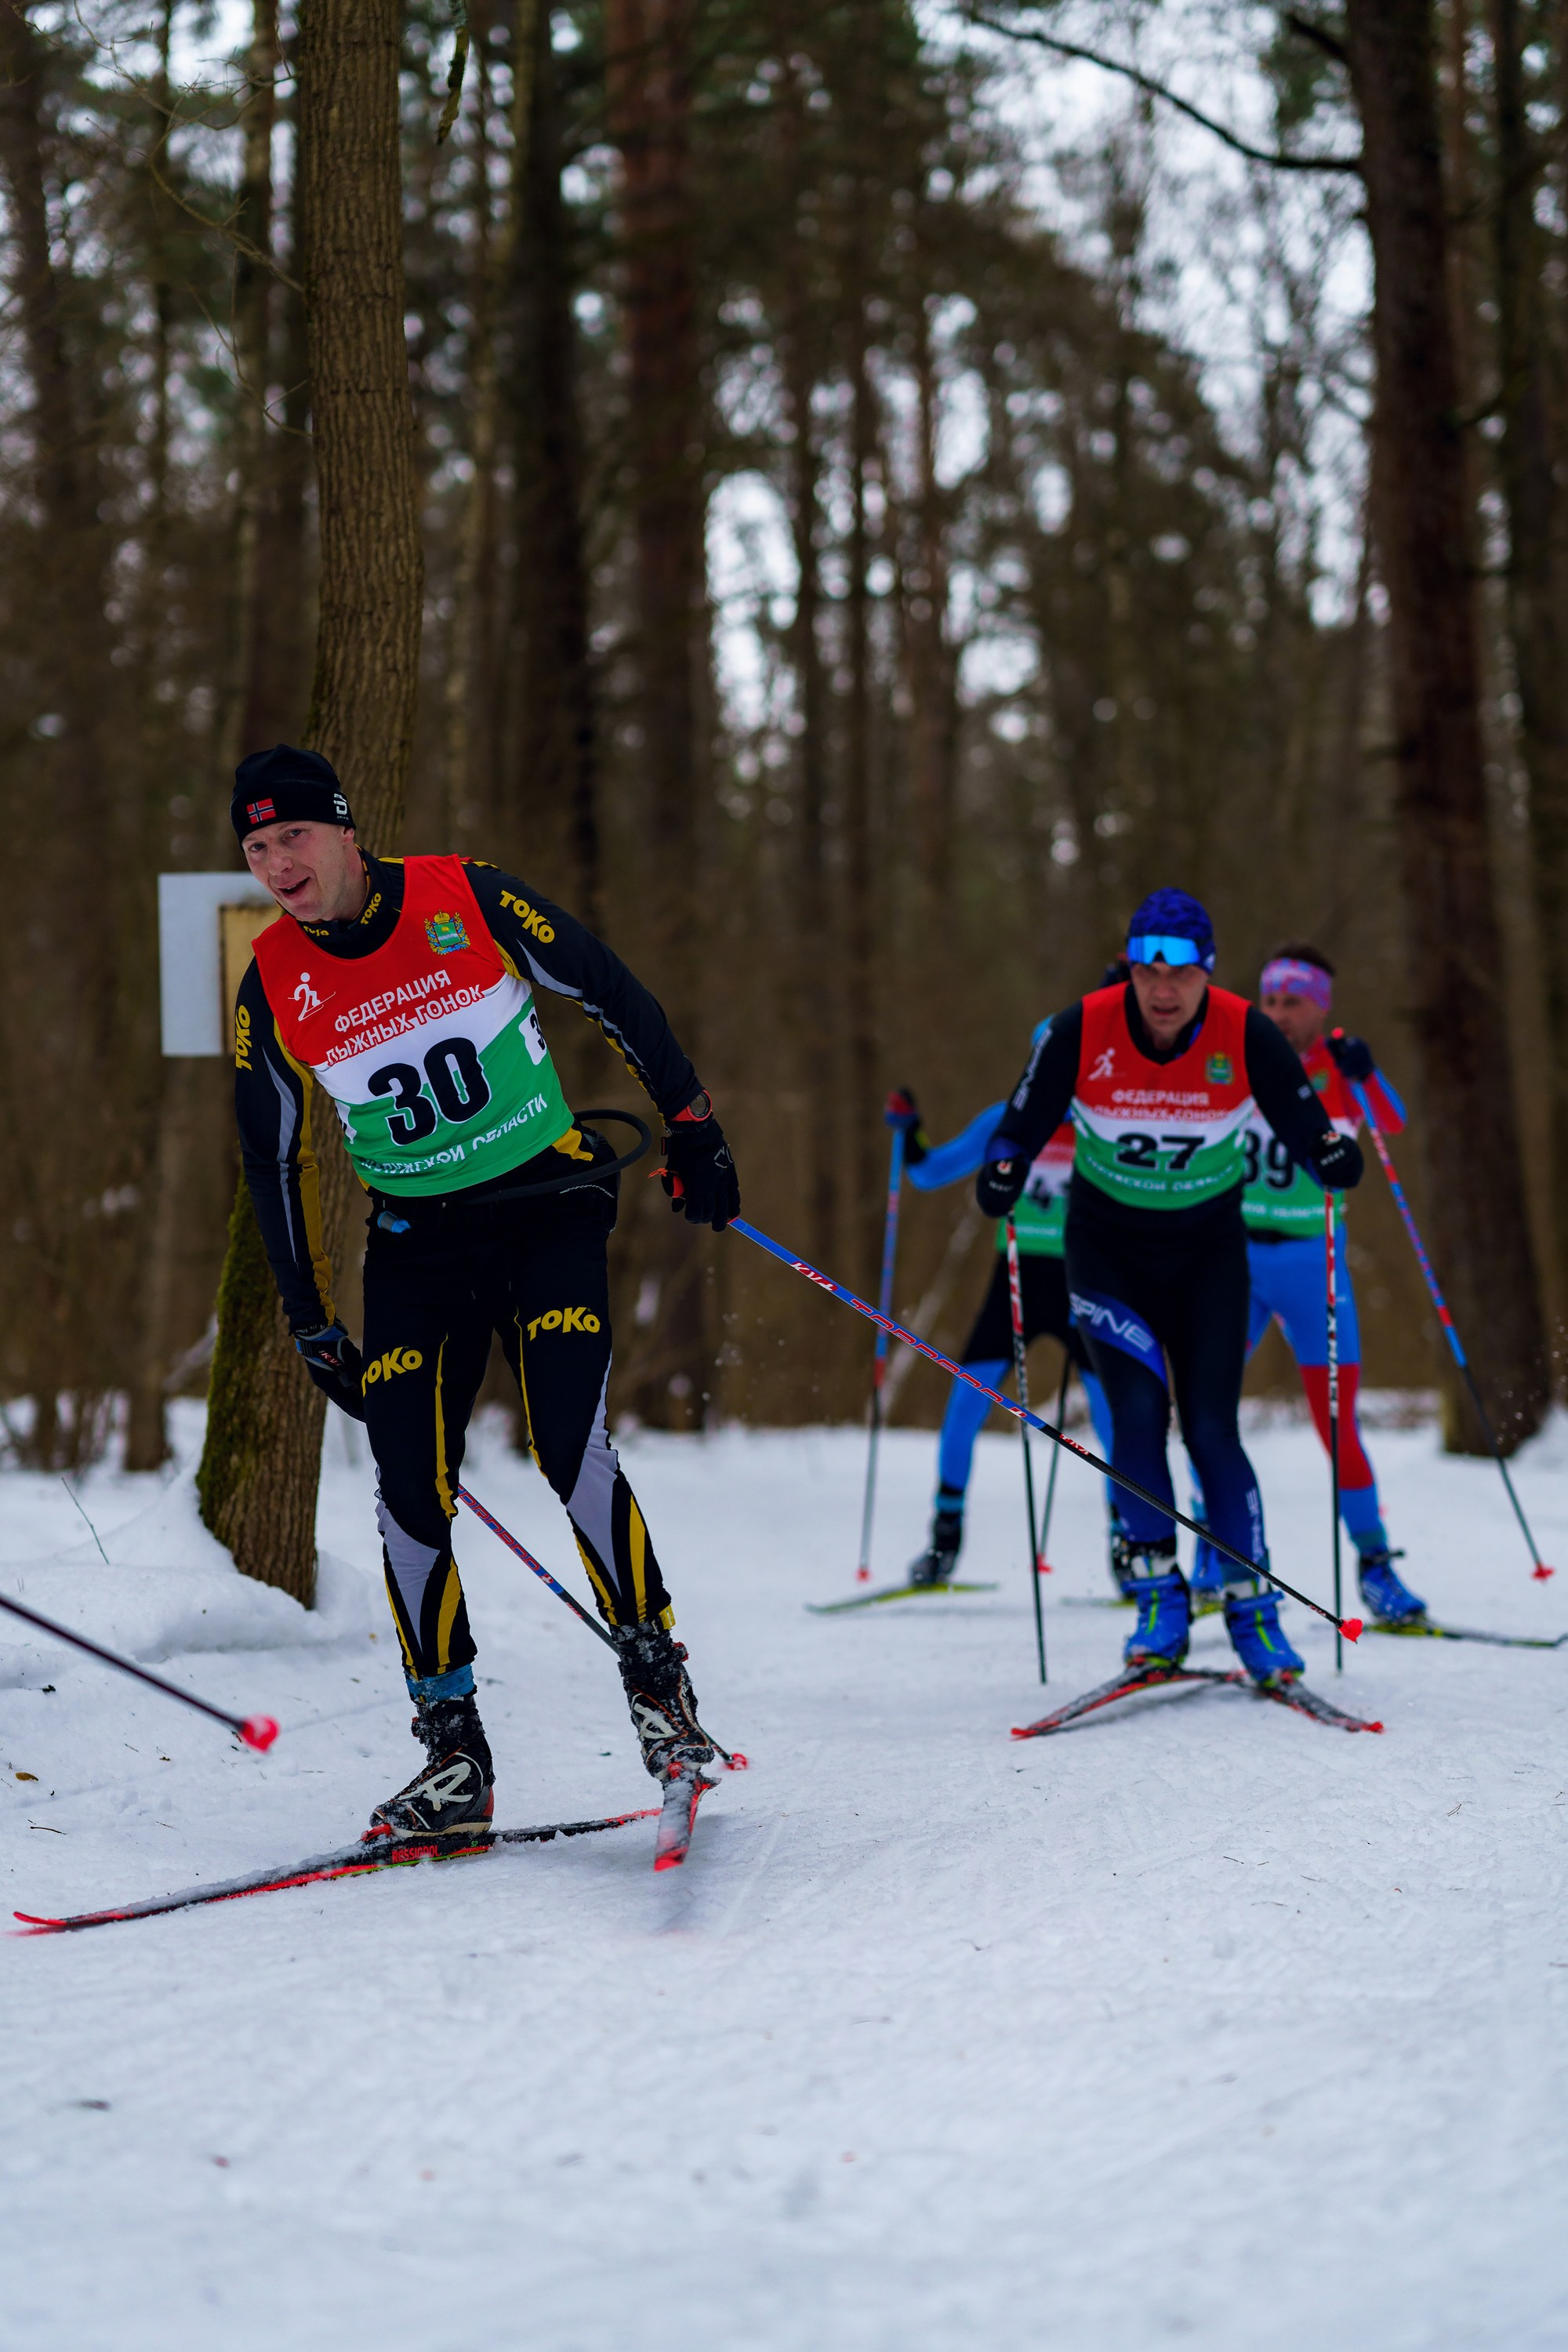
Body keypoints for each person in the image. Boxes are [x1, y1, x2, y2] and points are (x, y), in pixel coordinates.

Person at [229, 744, 739, 1836]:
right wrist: (308, 1315)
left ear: (346, 830)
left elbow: (607, 986)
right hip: (417, 1246)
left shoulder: (467, 896)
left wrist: (692, 1121)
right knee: (409, 1486)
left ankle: (661, 1695)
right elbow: (270, 1158)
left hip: (547, 1207)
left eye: (295, 837)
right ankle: (452, 1755)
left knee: (569, 1439)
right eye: (258, 847)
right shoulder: (271, 977)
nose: (279, 862)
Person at [975, 887, 1363, 1687]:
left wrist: (1327, 1151)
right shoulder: (1079, 1027)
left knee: (1212, 1431)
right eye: (1148, 970)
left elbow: (1302, 1118)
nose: (1162, 989)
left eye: (1180, 974)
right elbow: (1020, 1120)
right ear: (1129, 968)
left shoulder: (1243, 1029)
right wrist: (1004, 1165)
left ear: (1206, 975)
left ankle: (1251, 1613)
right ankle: (1159, 1601)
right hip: (1107, 1252)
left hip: (1207, 1257)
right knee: (1138, 1416)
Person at [1189, 944, 1424, 1624]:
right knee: (1209, 1411)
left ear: (1320, 1006)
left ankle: (1375, 1565)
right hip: (1233, 1262)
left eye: (1294, 1002)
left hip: (1312, 1267)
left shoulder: (1339, 1070)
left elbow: (1392, 1120)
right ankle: (1212, 1551)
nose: (1280, 1014)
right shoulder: (1238, 1059)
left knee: (1336, 1423)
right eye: (1271, 1001)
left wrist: (1368, 1073)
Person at [885, 1033, 1116, 1592]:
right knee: (964, 1408)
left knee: (1117, 1419)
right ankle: (944, 1541)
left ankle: (1132, 1550)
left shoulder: (1103, 1123)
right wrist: (910, 1132)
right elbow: (928, 1173)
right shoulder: (1004, 1120)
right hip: (1014, 1277)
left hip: (1082, 1281)